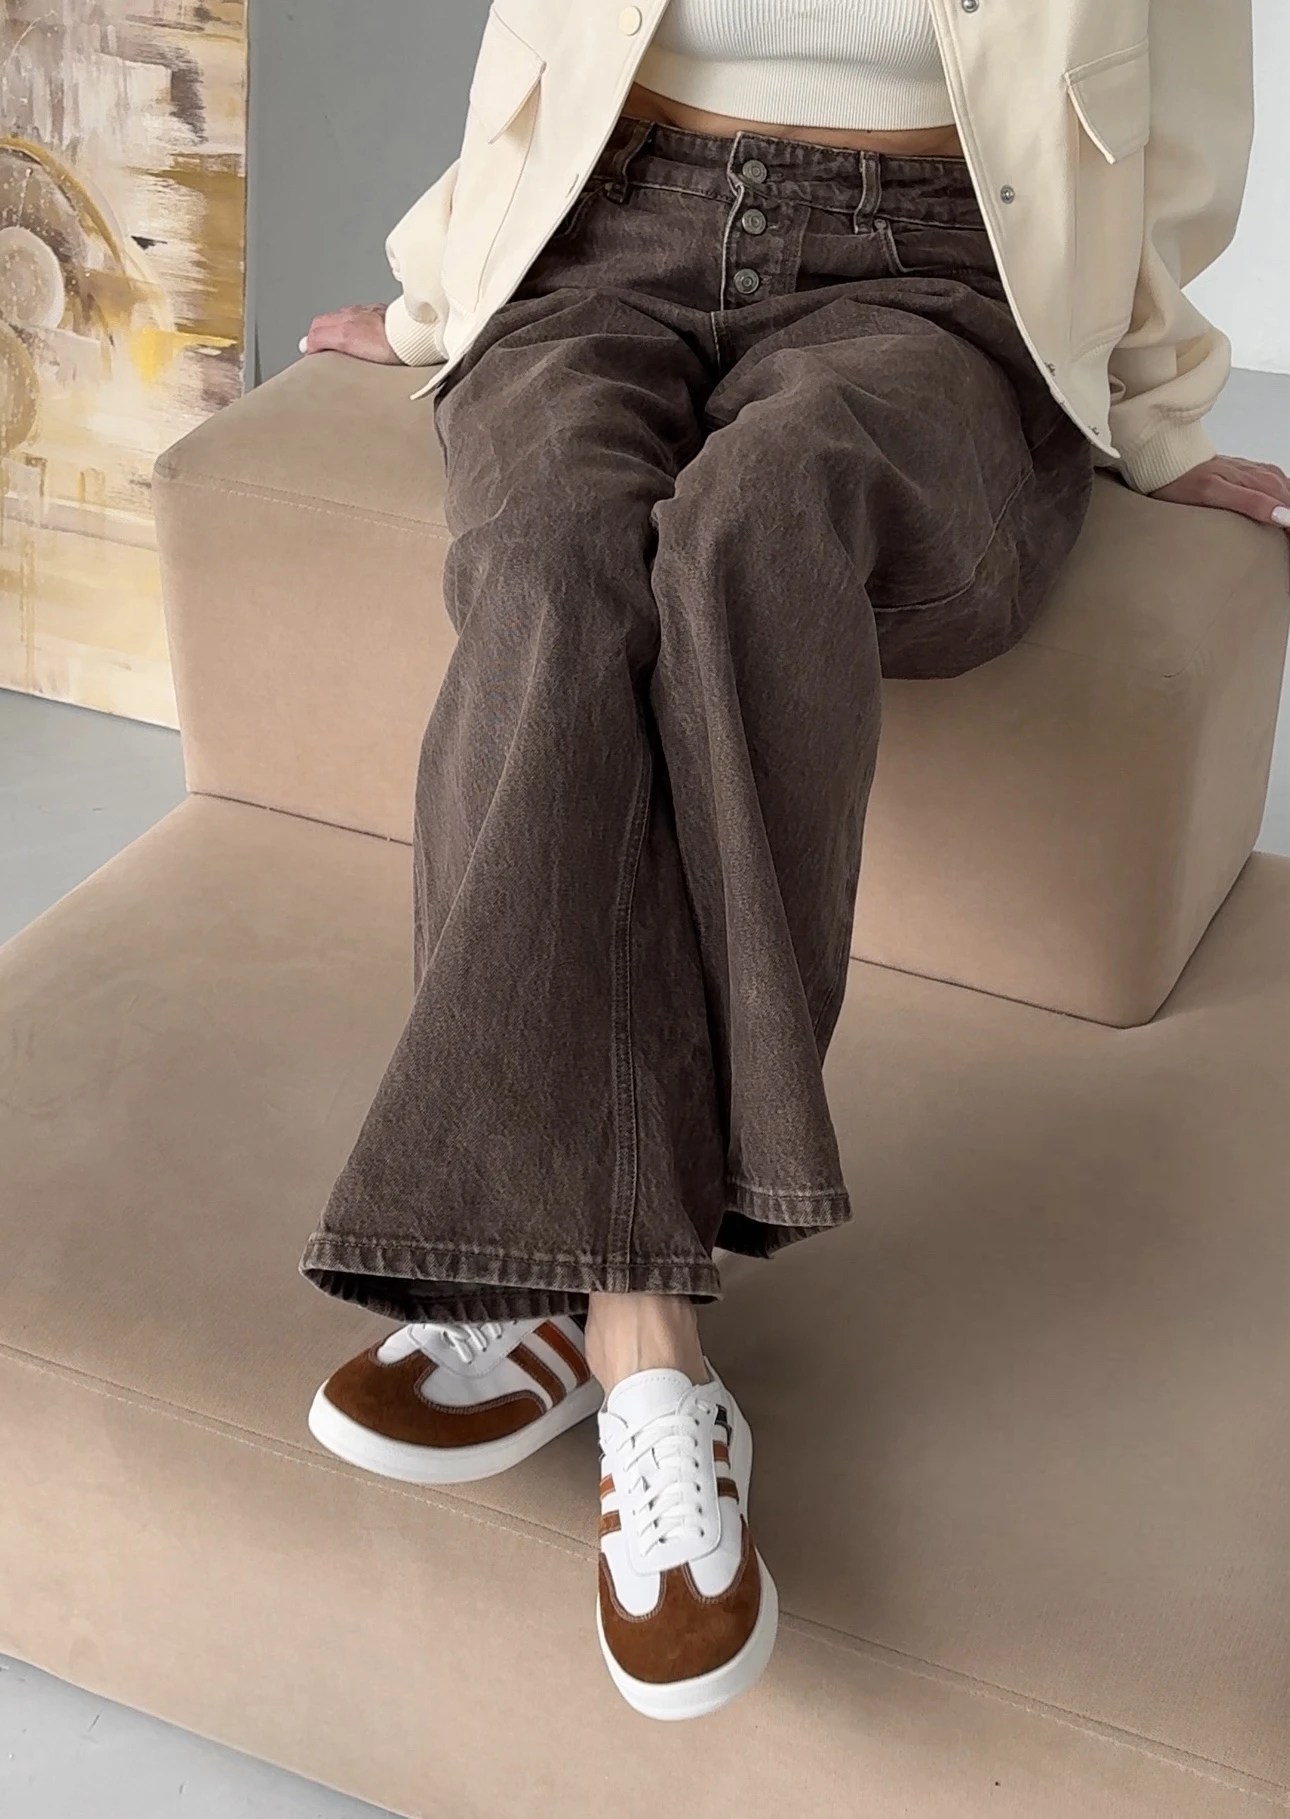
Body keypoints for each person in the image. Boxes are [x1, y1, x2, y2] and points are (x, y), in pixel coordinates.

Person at [296, 0, 1286, 1722]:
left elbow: (1179, 117)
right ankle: (644, 1340)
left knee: (756, 527)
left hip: (943, 279)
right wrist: (444, 293)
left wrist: (1157, 413)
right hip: (608, 234)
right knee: (547, 568)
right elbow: (538, 46)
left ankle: (546, 1281)